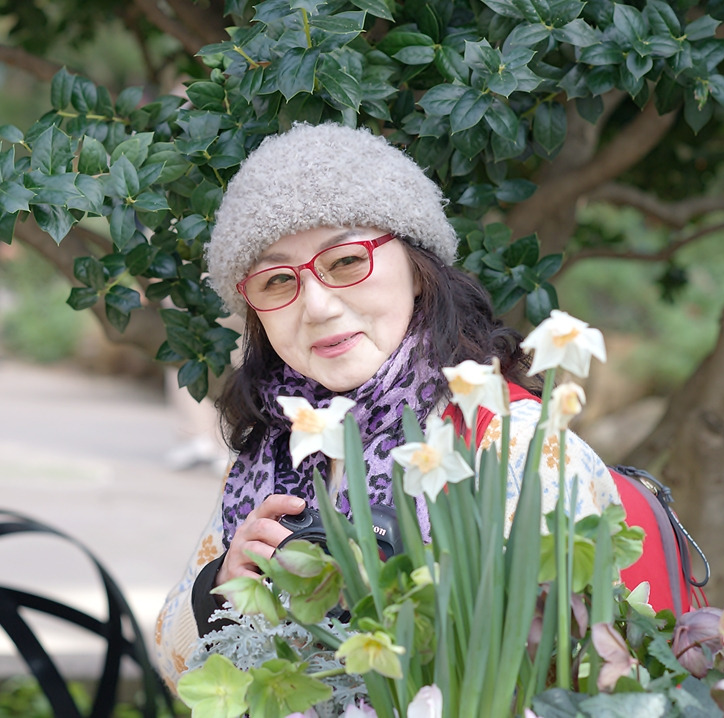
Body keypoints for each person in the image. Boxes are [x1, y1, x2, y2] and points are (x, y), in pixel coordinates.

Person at [150, 122, 621, 689]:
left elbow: (579, 672)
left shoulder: (513, 445)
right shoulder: (275, 449)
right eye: (276, 281)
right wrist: (223, 589)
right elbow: (176, 670)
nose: (318, 306)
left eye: (347, 261)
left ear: (418, 268)